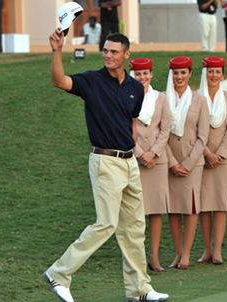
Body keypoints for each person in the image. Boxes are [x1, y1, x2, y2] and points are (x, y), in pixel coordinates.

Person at [44, 29, 169, 302]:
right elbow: (58, 81)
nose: (108, 55)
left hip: (129, 163)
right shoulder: (91, 80)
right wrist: (57, 50)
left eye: (114, 51)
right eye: (105, 50)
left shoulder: (136, 88)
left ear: (126, 55)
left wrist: (134, 150)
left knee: (135, 228)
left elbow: (131, 124)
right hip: (104, 161)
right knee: (106, 225)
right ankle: (59, 274)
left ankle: (139, 291)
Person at [165, 56, 210, 269]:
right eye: (176, 73)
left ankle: (187, 254)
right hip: (169, 162)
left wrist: (188, 163)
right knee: (173, 208)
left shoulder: (200, 100)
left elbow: (203, 137)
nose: (179, 77)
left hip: (193, 163)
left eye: (183, 72)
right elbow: (161, 134)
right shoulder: (162, 98)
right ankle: (178, 253)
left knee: (190, 207)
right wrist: (173, 163)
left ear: (191, 73)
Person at [129, 58, 171, 273]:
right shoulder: (124, 95)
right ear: (131, 75)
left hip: (157, 161)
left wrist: (153, 153)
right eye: (138, 74)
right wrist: (139, 153)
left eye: (146, 74)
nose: (142, 78)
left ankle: (154, 259)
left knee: (155, 211)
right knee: (135, 212)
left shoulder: (161, 98)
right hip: (134, 159)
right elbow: (122, 126)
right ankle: (136, 260)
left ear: (152, 75)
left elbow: (166, 129)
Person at [196, 57, 227, 265]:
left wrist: (219, 154)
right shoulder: (196, 97)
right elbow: (193, 130)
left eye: (217, 72)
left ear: (222, 74)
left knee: (221, 204)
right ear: (206, 73)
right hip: (201, 158)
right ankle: (206, 250)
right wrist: (206, 153)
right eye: (210, 71)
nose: (214, 75)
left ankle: (218, 250)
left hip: (224, 159)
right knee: (204, 204)